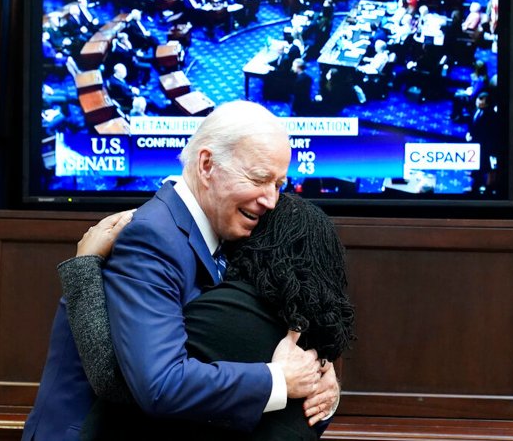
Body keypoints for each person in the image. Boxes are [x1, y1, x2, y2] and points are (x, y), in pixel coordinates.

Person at [21, 101, 338, 441]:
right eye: (260, 179)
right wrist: (278, 380)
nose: (272, 200)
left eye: (279, 184)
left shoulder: (233, 228)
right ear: (206, 165)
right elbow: (159, 383)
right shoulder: (152, 237)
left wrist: (319, 373)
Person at [71, 193, 355, 440]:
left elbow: (127, 382)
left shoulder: (225, 314)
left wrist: (83, 268)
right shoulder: (316, 336)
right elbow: (310, 419)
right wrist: (326, 393)